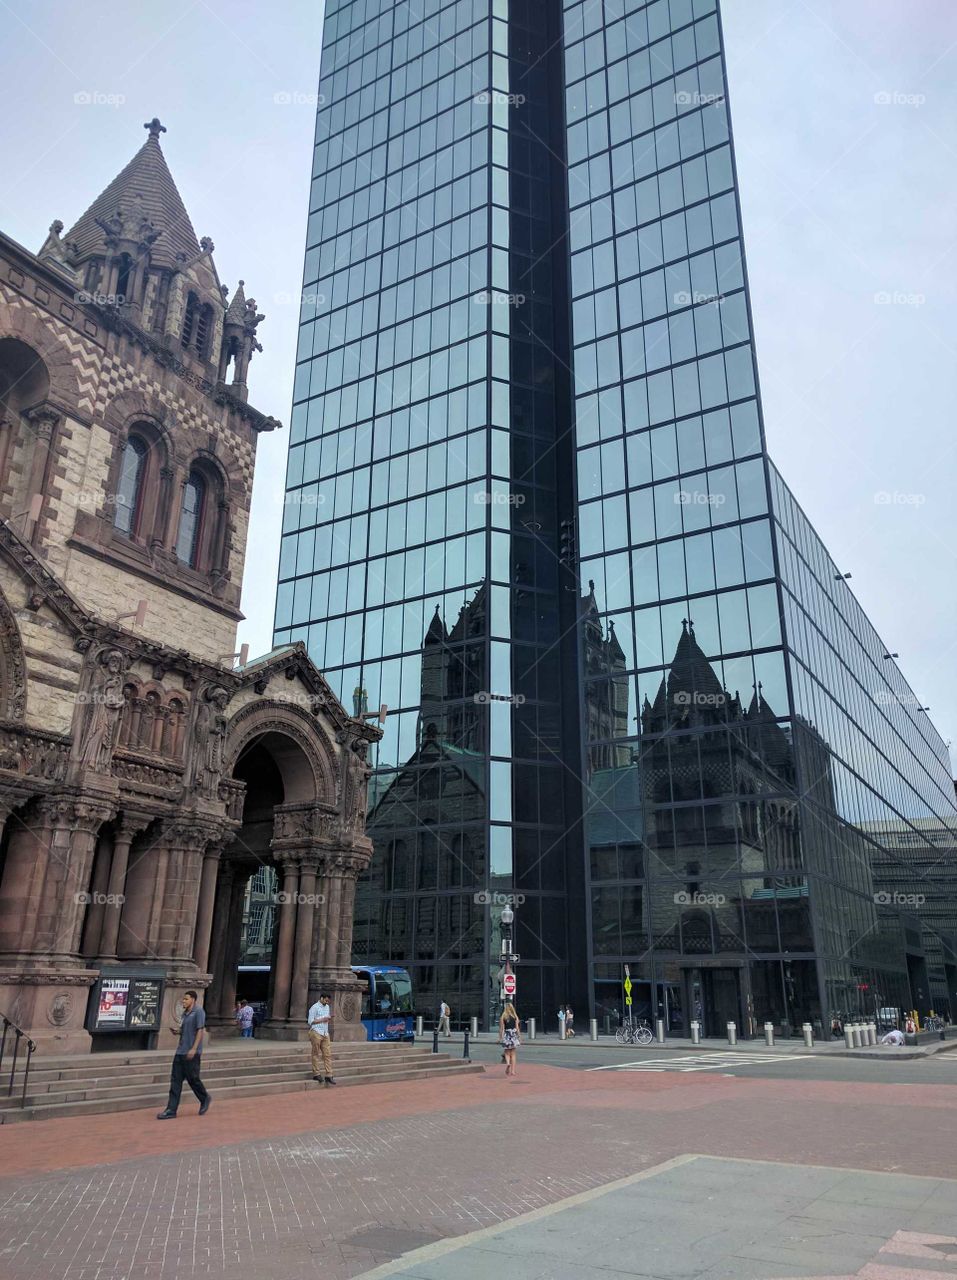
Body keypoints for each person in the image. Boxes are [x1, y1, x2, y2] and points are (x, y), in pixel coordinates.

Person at [157, 990, 210, 1119]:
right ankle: (171, 1109)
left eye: (186, 999)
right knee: (175, 1081)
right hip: (180, 1051)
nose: (183, 1001)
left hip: (191, 1052)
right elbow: (185, 1029)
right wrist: (178, 1031)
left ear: (193, 999)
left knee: (193, 1079)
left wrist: (194, 1048)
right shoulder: (185, 1014)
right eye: (183, 999)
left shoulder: (198, 1012)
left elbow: (200, 1031)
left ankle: (204, 1098)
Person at [307, 991, 336, 1085]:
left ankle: (329, 1074)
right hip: (316, 1031)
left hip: (325, 1032)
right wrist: (322, 1019)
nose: (327, 1002)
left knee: (327, 1054)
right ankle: (316, 1073)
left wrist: (329, 1017)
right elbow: (310, 1021)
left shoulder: (327, 1007)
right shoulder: (314, 1007)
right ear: (321, 998)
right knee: (315, 1053)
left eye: (328, 1001)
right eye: (325, 1000)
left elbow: (326, 1018)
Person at [499, 1002, 522, 1076]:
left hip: (507, 1035)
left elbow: (501, 1029)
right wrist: (519, 1037)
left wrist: (500, 1038)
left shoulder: (503, 1017)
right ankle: (513, 1071)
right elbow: (517, 1028)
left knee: (507, 1052)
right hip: (514, 1035)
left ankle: (508, 1063)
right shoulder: (515, 1017)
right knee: (513, 1053)